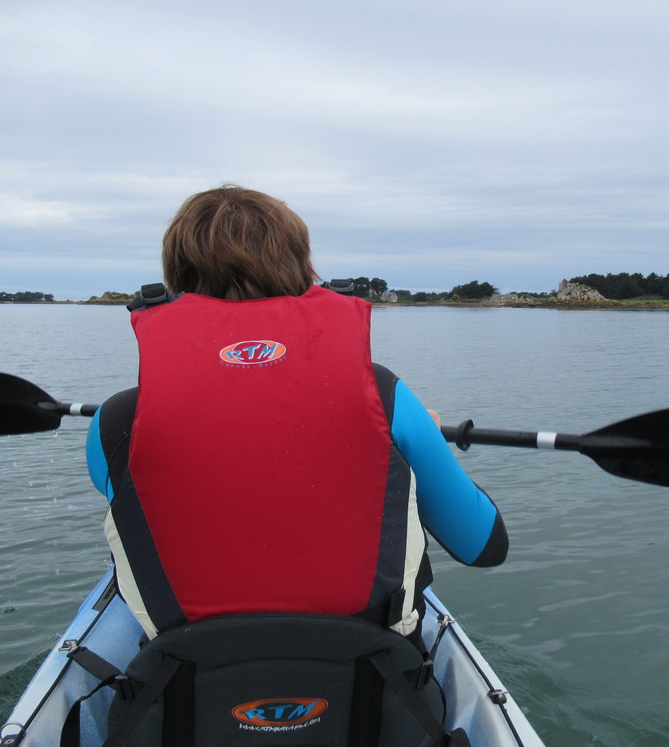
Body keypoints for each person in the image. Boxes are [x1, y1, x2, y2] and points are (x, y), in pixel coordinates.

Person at [85, 185, 508, 643]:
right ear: (302, 267)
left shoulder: (114, 422)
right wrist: (416, 436)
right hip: (369, 680)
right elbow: (484, 546)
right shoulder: (385, 396)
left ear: (174, 275)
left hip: (187, 684)